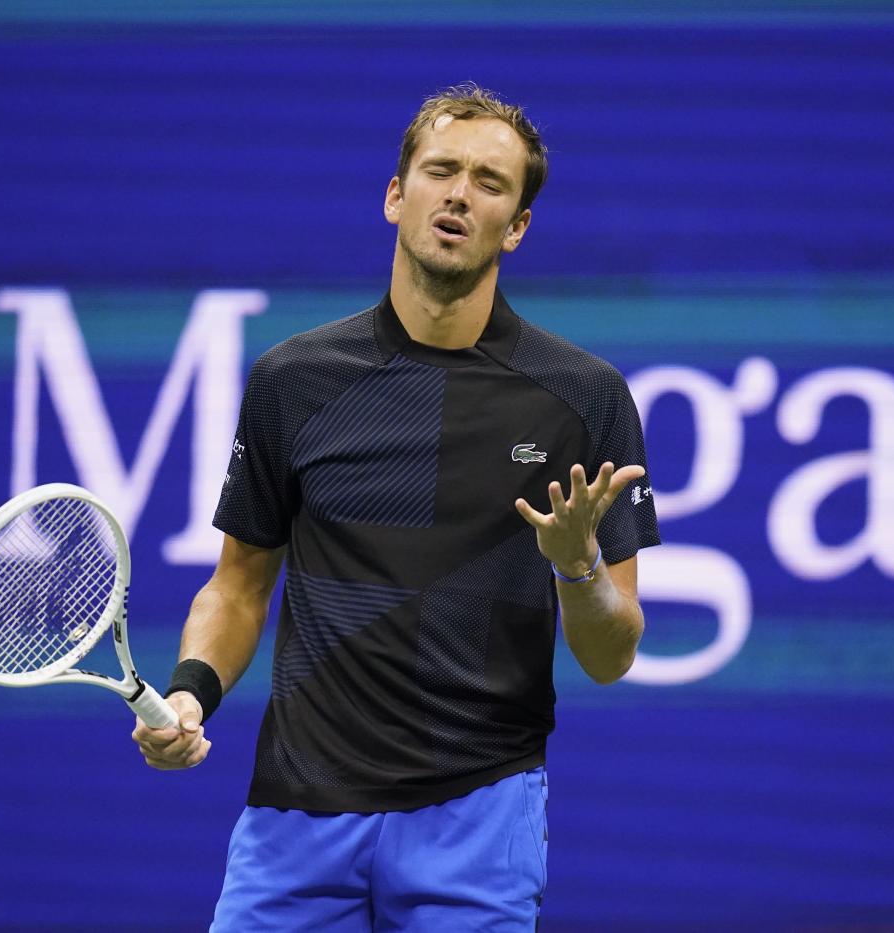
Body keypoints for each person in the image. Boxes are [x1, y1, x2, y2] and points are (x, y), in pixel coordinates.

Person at [133, 83, 660, 930]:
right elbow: (237, 586)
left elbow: (611, 654)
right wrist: (191, 691)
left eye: (489, 182)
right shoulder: (293, 381)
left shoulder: (582, 398)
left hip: (478, 821)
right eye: (440, 170)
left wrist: (578, 565)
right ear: (395, 195)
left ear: (517, 226)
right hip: (294, 820)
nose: (459, 195)